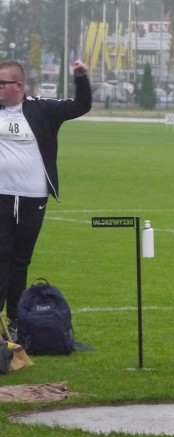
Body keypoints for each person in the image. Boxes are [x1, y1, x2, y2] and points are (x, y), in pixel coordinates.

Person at [0, 59, 92, 342]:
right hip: (1, 197)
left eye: (1, 83)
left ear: (18, 85)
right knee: (0, 257)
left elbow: (81, 106)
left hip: (33, 198)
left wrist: (80, 77)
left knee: (19, 261)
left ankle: (15, 319)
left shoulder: (42, 109)